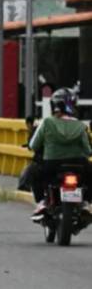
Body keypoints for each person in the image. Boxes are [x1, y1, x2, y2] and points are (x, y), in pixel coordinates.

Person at [28, 88, 92, 218]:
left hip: (52, 165)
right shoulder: (80, 126)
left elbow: (33, 145)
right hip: (78, 165)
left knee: (33, 170)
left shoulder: (47, 122)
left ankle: (42, 202)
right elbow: (88, 151)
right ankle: (86, 202)